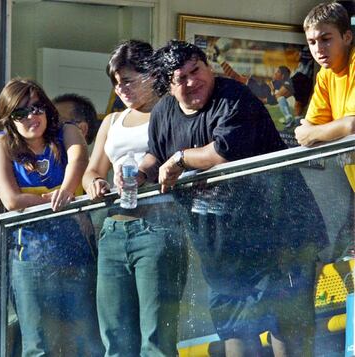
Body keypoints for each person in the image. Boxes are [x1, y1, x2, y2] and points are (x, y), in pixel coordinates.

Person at [117, 40, 328, 356]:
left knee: (286, 328)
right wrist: (136, 174)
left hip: (283, 237)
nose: (192, 81)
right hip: (221, 247)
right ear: (167, 86)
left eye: (196, 70)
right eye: (181, 78)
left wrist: (179, 159)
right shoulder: (163, 112)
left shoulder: (234, 97)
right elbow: (154, 157)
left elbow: (223, 151)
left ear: (208, 66)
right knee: (235, 330)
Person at [82, 40, 188, 357]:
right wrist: (96, 183)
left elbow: (178, 158)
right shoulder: (113, 121)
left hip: (158, 226)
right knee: (114, 337)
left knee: (156, 338)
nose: (121, 89)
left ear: (151, 73)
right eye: (116, 82)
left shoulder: (171, 109)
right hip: (113, 231)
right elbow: (91, 171)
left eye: (128, 79)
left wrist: (143, 175)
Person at [0, 78, 102, 356]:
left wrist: (65, 190)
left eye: (37, 107)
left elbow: (79, 161)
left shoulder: (66, 131)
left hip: (76, 251)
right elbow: (11, 201)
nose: (32, 116)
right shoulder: (3, 144)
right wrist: (55, 199)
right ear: (9, 118)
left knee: (85, 341)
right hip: (28, 256)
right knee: (38, 344)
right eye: (21, 112)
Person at [295, 2, 354, 147]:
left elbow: (351, 125)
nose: (318, 49)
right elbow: (307, 131)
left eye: (325, 39)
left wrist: (312, 133)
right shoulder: (325, 74)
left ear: (347, 37)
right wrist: (312, 132)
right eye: (312, 42)